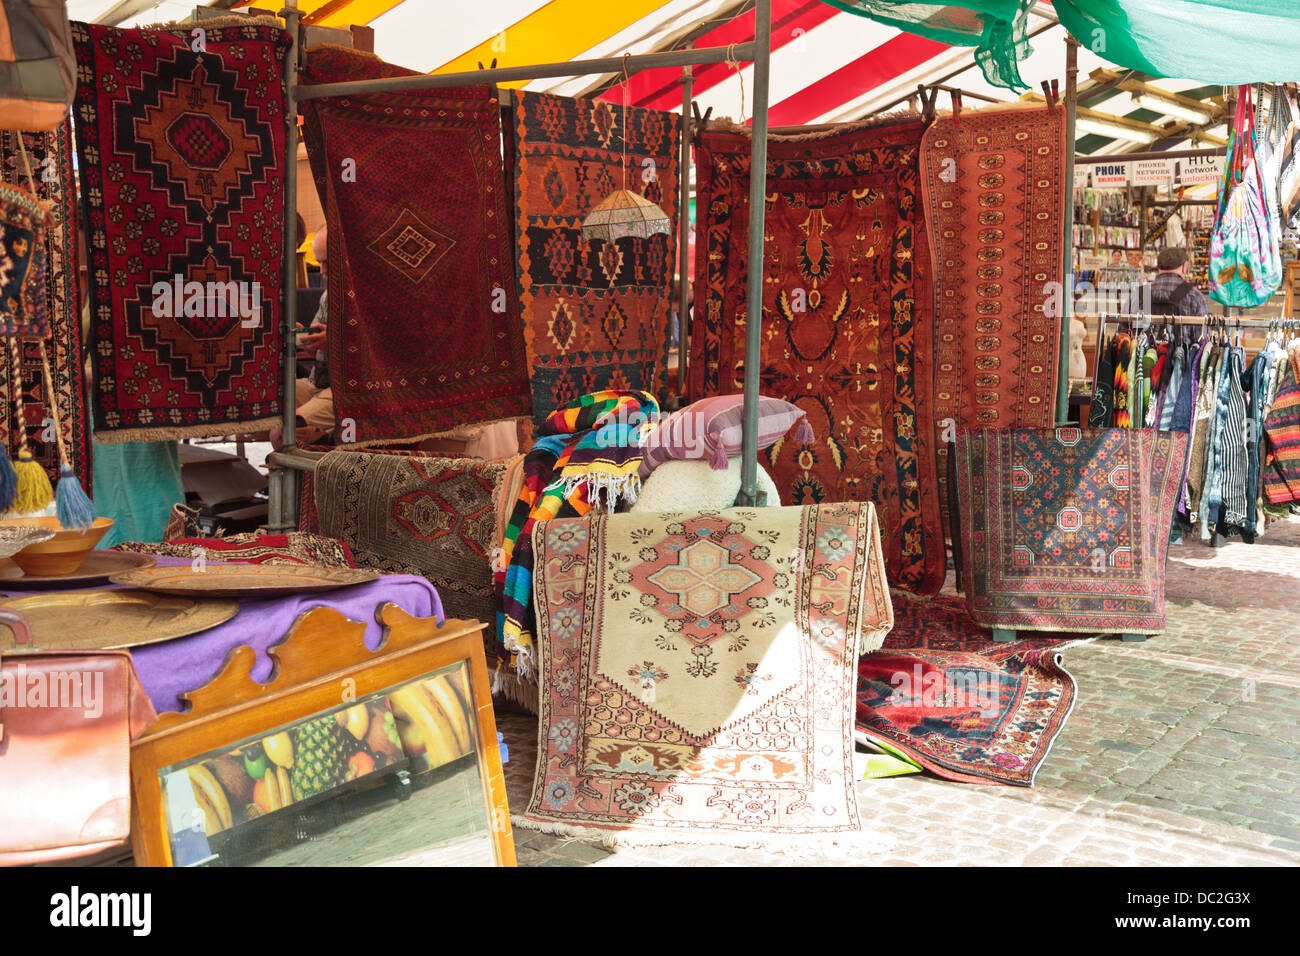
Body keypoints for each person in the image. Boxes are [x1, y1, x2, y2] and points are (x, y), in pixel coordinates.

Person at [272, 227, 334, 448]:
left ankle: (297, 480)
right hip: (316, 381)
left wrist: (334, 341)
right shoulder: (329, 294)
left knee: (285, 430)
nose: (323, 270)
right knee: (261, 401)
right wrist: (306, 339)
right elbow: (316, 339)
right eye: (319, 262)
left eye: (328, 262)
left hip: (346, 390)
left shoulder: (368, 298)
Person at [1126, 246, 1208, 317]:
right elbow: (1202, 334)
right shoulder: (1195, 296)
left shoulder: (1138, 294)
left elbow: (1122, 333)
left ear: (1158, 268)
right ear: (1184, 268)